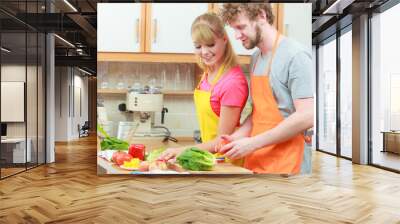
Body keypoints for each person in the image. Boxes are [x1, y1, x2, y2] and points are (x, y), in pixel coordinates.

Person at [217, 3, 314, 174]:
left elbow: (307, 115)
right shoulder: (255, 58)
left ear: (261, 16)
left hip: (288, 164)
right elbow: (258, 114)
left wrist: (253, 143)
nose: (237, 36)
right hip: (257, 160)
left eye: (241, 27)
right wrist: (235, 138)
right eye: (234, 29)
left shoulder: (295, 55)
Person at [159, 13, 249, 161]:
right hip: (210, 156)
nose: (205, 52)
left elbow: (222, 141)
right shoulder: (209, 72)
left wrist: (182, 150)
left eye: (210, 44)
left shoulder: (233, 82)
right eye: (198, 46)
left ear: (225, 40)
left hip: (227, 161)